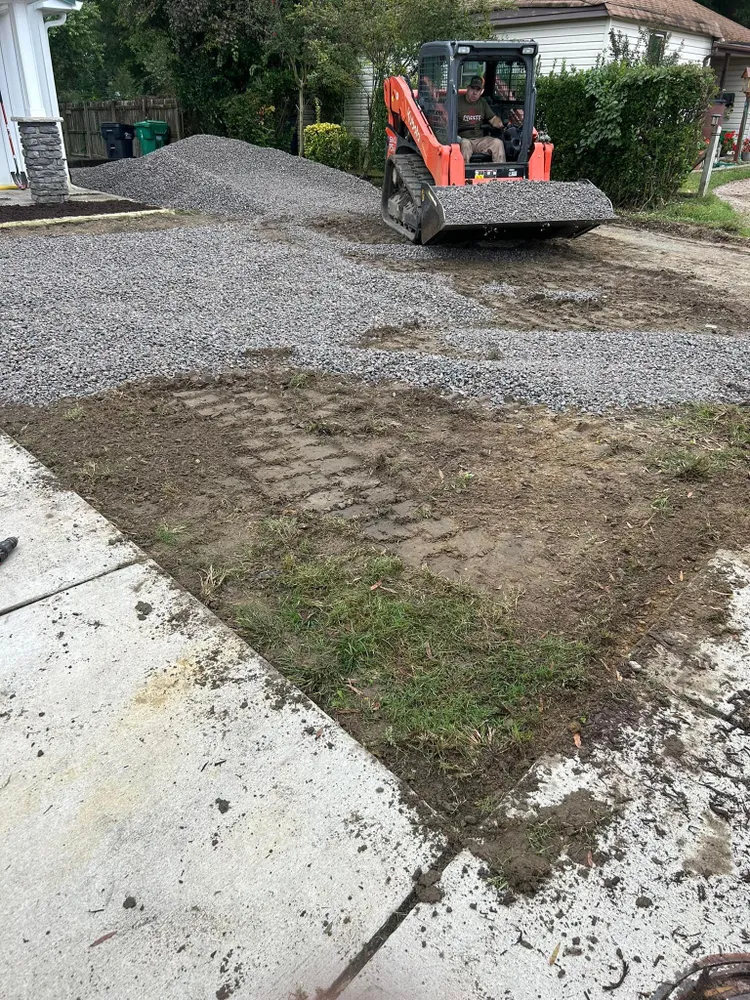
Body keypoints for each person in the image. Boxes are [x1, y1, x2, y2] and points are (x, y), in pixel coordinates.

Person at [456, 76, 506, 164]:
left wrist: (498, 123)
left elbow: (493, 118)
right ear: (468, 88)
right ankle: (463, 173)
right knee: (465, 144)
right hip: (463, 139)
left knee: (498, 143)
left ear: (481, 91)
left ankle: (499, 172)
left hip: (479, 140)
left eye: (478, 90)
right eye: (472, 89)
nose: (474, 92)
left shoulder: (482, 102)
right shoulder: (457, 102)